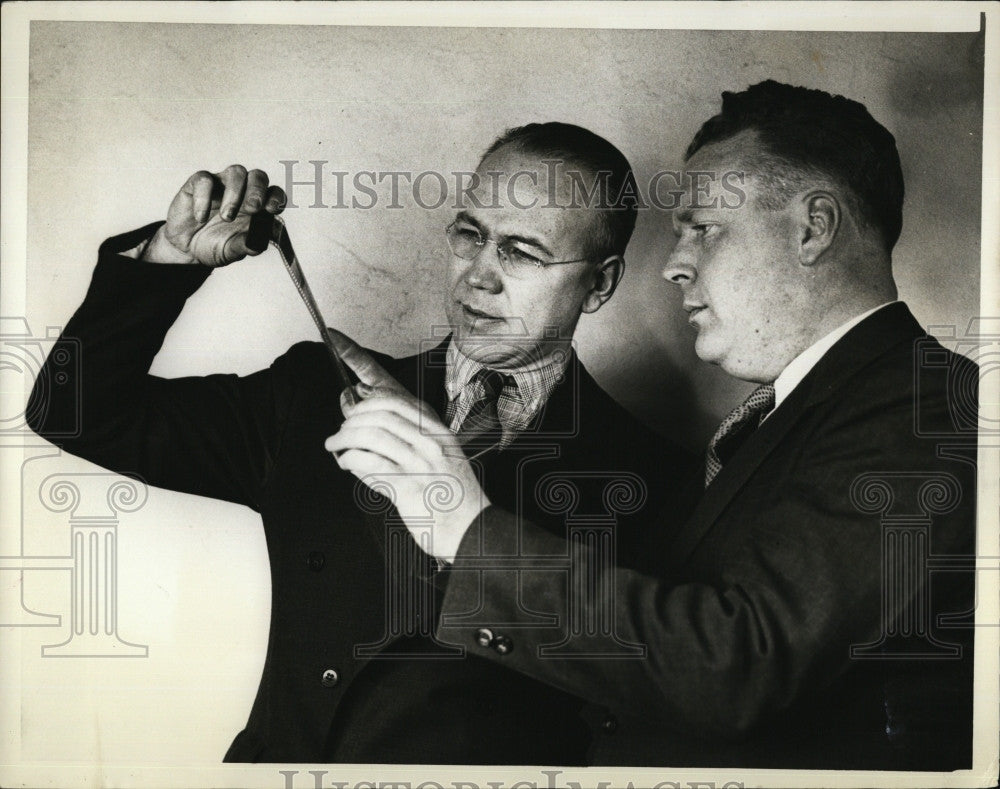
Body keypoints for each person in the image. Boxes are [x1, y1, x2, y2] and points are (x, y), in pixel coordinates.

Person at [327, 82, 977, 769]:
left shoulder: (925, 400)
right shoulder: (813, 410)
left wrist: (466, 526)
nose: (673, 264)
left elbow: (740, 665)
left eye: (703, 228)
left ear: (813, 227)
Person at [27, 122, 698, 764]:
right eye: (471, 235)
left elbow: (653, 698)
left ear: (600, 283)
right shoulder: (310, 393)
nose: (479, 276)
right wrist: (170, 259)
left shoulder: (656, 480)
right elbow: (75, 410)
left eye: (522, 252)